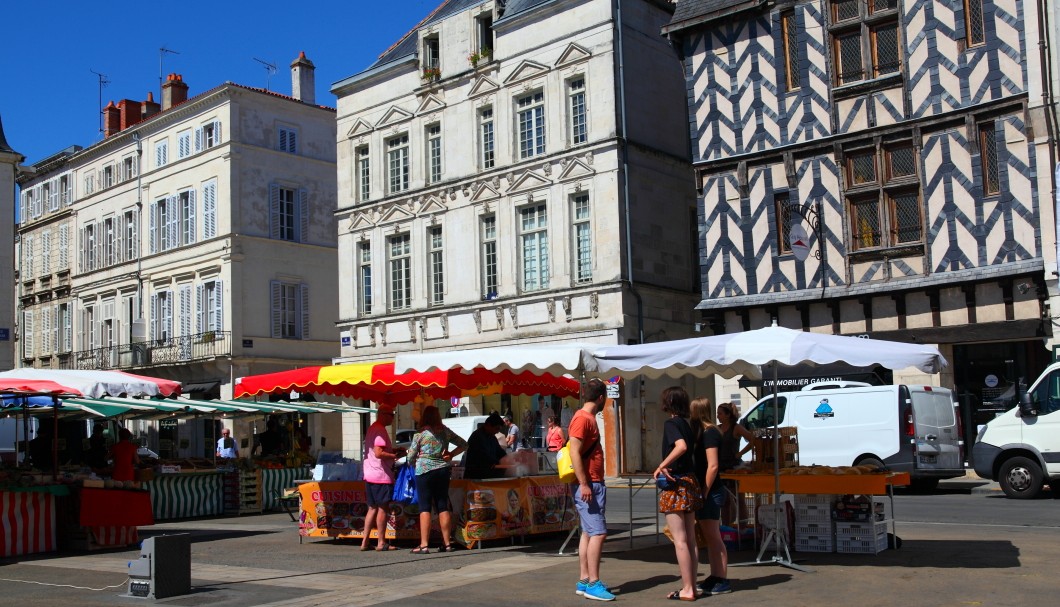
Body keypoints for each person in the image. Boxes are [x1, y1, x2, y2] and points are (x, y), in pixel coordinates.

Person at [653, 387, 704, 601]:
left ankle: (688, 588)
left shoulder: (672, 423)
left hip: (676, 484)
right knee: (690, 539)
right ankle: (691, 585)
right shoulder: (687, 424)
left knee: (680, 540)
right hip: (690, 482)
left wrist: (662, 464)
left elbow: (680, 447)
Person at [569, 378, 613, 601]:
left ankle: (585, 579)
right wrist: (584, 483)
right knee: (599, 532)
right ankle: (593, 583)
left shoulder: (586, 418)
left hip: (592, 483)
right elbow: (574, 451)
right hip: (589, 484)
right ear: (601, 398)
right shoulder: (583, 418)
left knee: (588, 532)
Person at [406, 405, 466, 554]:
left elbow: (410, 457)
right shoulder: (445, 430)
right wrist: (450, 454)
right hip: (443, 470)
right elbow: (464, 444)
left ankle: (424, 545)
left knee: (425, 507)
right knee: (442, 505)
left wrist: (415, 461)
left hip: (424, 471)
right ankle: (447, 543)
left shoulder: (420, 433)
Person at [691, 397, 731, 596]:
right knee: (710, 536)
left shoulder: (709, 434)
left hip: (711, 490)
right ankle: (715, 576)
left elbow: (712, 465)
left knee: (714, 537)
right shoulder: (707, 432)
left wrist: (704, 490)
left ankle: (721, 578)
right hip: (710, 490)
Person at [360, 406, 406, 552]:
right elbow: (379, 453)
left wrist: (393, 450)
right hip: (381, 475)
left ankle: (365, 542)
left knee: (371, 508)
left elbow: (376, 451)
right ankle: (381, 542)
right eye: (391, 414)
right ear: (383, 415)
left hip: (370, 474)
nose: (393, 418)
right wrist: (394, 456)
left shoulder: (373, 428)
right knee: (382, 509)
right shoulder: (380, 429)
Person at [463, 413, 508, 480]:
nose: (497, 432)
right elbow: (483, 456)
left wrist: (509, 458)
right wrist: (497, 462)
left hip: (488, 476)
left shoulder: (492, 437)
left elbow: (499, 452)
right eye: (496, 428)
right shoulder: (477, 436)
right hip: (476, 477)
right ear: (488, 425)